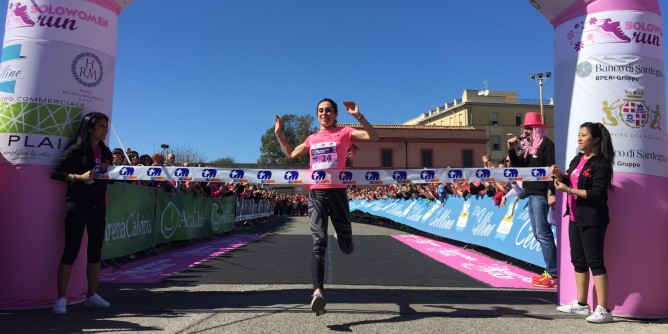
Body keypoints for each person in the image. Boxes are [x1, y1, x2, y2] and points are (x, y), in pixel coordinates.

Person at [274, 98, 378, 316]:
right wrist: (279, 134)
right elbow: (291, 155)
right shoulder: (312, 138)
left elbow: (373, 137)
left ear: (336, 114)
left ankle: (345, 238)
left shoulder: (345, 133)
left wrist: (358, 115)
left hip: (338, 192)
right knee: (318, 240)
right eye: (320, 111)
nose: (324, 114)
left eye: (328, 110)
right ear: (317, 114)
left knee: (347, 247)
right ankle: (317, 292)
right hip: (317, 192)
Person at [49, 112, 114, 315]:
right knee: (71, 250)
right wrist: (79, 176)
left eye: (106, 126)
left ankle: (92, 295)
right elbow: (55, 172)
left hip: (98, 206)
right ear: (89, 128)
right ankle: (61, 298)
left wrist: (108, 170)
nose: (105, 130)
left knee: (95, 251)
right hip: (77, 205)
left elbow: (110, 179)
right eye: (102, 126)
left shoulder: (106, 151)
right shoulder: (76, 148)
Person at [551, 122, 615, 323]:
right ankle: (581, 304)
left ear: (595, 139)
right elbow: (570, 179)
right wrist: (560, 176)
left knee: (595, 261)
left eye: (584, 135)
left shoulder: (602, 163)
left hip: (593, 218)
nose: (579, 138)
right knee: (578, 260)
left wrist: (568, 191)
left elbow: (597, 193)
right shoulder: (578, 158)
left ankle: (604, 310)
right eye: (578, 135)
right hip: (574, 216)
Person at [507, 111, 557, 288]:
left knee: (543, 234)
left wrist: (551, 191)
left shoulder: (547, 146)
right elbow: (518, 168)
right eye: (524, 128)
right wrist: (512, 150)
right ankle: (551, 271)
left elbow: (553, 169)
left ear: (537, 129)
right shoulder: (528, 149)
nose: (525, 131)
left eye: (529, 128)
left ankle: (554, 274)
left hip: (541, 194)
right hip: (531, 194)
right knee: (538, 234)